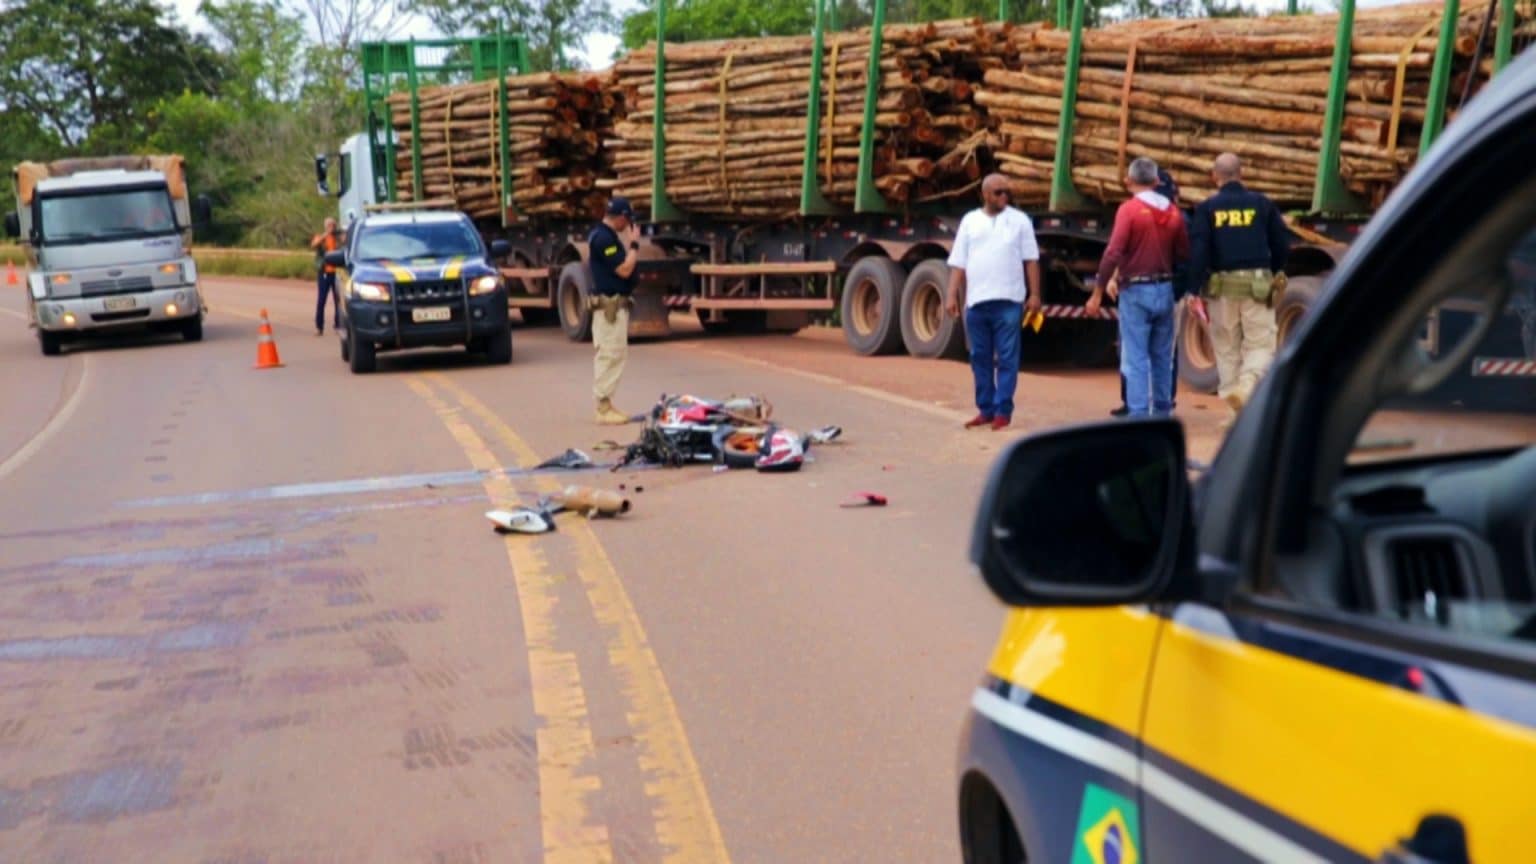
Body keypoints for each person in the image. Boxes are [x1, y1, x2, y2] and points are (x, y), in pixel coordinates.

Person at [1188, 153, 1291, 425]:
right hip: (1257, 285)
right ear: (1241, 174)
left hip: (1221, 288)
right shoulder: (1262, 204)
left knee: (1226, 347)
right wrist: (1276, 270)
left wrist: (1193, 288)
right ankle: (1246, 387)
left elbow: (1199, 252)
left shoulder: (1207, 208)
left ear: (1214, 176)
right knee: (1260, 344)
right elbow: (1282, 244)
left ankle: (1234, 412)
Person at [1089, 157, 1190, 418]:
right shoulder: (1173, 212)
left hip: (1135, 290)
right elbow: (1182, 253)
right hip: (1164, 289)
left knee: (1135, 357)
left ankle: (1138, 416)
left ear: (1128, 181)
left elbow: (1114, 252)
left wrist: (1098, 290)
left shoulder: (1129, 210)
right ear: (1157, 181)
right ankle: (1162, 413)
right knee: (1161, 356)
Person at [944, 173, 1043, 431]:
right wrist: (951, 294)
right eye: (998, 192)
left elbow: (1031, 259)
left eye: (1007, 192)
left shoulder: (1020, 221)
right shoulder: (970, 221)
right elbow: (958, 262)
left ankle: (1003, 411)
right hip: (976, 303)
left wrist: (1034, 294)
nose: (1004, 197)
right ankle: (985, 409)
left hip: (1009, 301)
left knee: (1008, 359)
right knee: (979, 359)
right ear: (985, 194)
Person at [588, 196, 641, 425]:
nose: (628, 225)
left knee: (615, 353)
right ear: (621, 217)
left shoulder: (605, 236)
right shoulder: (604, 239)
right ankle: (603, 407)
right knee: (610, 354)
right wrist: (635, 245)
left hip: (615, 306)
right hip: (609, 308)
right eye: (627, 220)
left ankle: (607, 404)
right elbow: (624, 270)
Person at [310, 217, 343, 336]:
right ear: (325, 226)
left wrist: (339, 236)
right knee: (321, 300)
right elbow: (314, 245)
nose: (331, 227)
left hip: (337, 273)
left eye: (333, 225)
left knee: (338, 300)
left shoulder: (338, 238)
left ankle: (338, 325)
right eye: (329, 225)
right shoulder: (321, 237)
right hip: (324, 272)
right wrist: (325, 235)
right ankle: (319, 327)